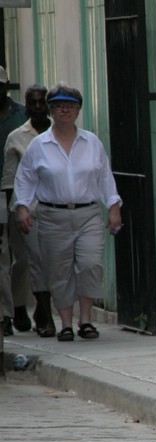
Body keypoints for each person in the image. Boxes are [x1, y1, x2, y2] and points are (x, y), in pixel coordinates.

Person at [14, 83, 123, 342]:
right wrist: (22, 208)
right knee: (59, 270)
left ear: (78, 110)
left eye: (71, 106)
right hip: (52, 215)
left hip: (87, 214)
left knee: (90, 264)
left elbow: (104, 177)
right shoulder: (39, 145)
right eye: (60, 106)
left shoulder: (91, 141)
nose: (65, 111)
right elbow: (25, 179)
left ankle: (86, 320)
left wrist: (113, 207)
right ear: (51, 110)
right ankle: (65, 323)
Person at [2, 84, 55, 337]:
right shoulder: (17, 136)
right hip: (25, 209)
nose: (37, 107)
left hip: (56, 208)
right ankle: (25, 309)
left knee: (52, 262)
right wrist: (16, 212)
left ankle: (38, 310)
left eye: (41, 102)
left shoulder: (60, 131)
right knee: (27, 260)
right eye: (32, 102)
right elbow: (10, 180)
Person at [0, 65, 27, 336]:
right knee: (1, 256)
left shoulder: (22, 115)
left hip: (17, 193)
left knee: (25, 255)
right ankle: (5, 314)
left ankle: (19, 302)